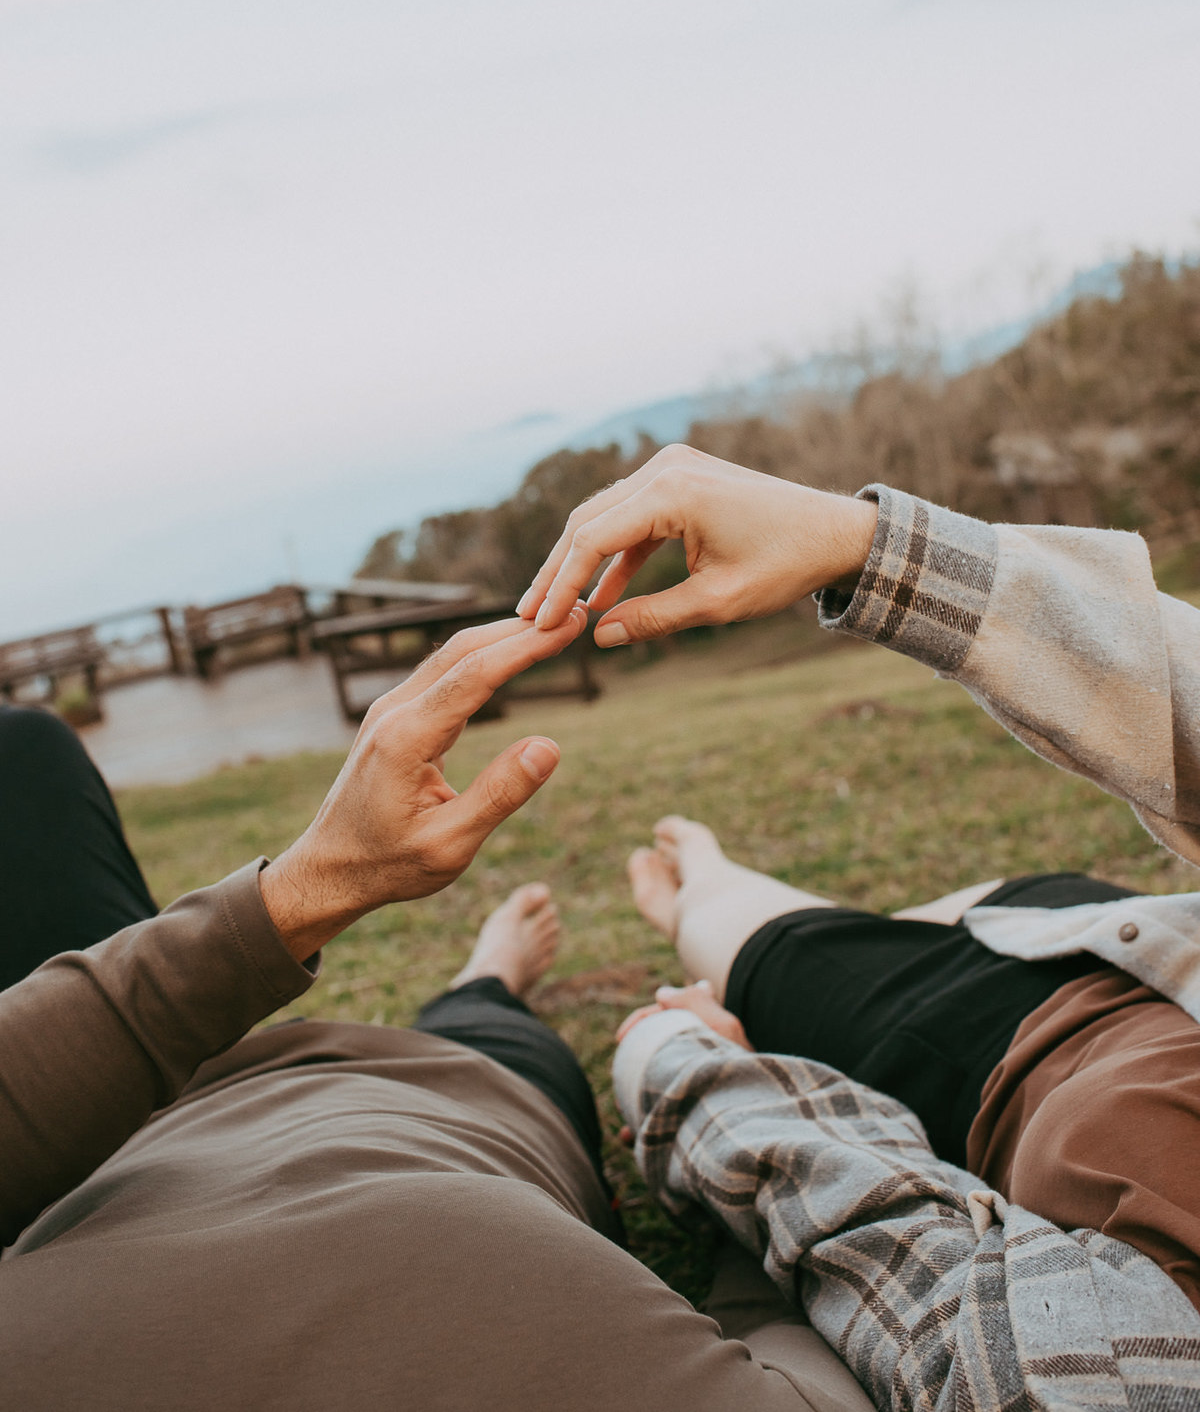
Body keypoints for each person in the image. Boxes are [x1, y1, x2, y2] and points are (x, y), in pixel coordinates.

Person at [0, 609, 870, 1412]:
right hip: (456, 1095)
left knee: (22, 757)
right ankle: (486, 979)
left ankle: (481, 980)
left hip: (108, 1135)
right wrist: (738, 1132)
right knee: (484, 1025)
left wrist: (308, 891)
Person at [521, 444, 1200, 1407]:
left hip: (1010, 1055)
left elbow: (900, 1254)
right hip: (1136, 938)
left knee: (748, 941)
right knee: (959, 911)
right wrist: (863, 544)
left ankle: (704, 882)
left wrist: (689, 1064)